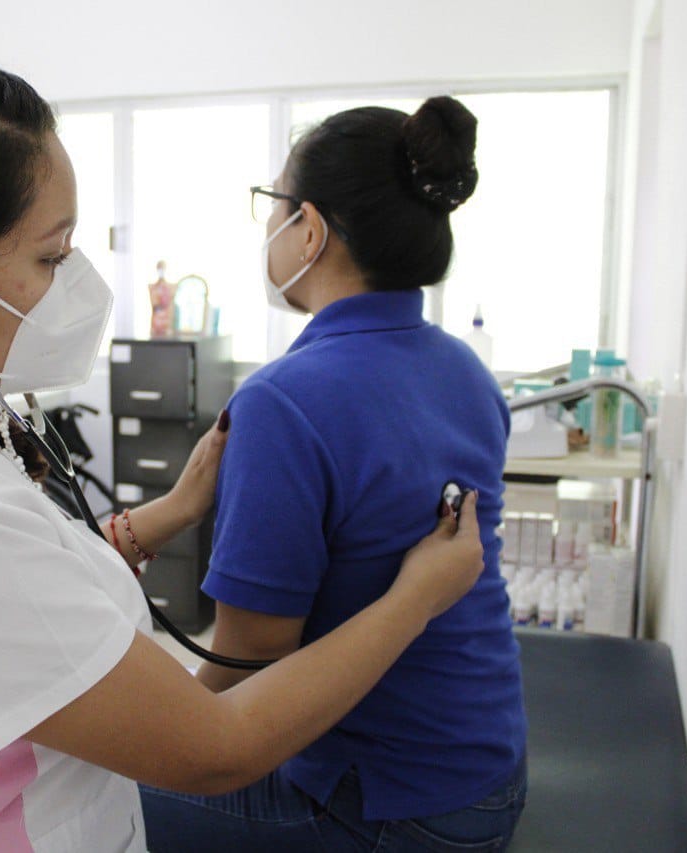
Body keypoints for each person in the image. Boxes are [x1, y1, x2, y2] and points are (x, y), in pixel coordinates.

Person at [0, 55, 486, 852]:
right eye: (51, 256)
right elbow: (215, 744)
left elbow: (21, 592)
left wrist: (173, 510)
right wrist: (417, 597)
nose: (77, 280)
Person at [140, 99, 528, 851]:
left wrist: (157, 735)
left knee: (83, 791)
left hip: (385, 808)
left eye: (273, 206)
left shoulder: (284, 400)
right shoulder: (466, 371)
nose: (268, 229)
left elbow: (246, 661)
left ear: (308, 230)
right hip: (490, 770)